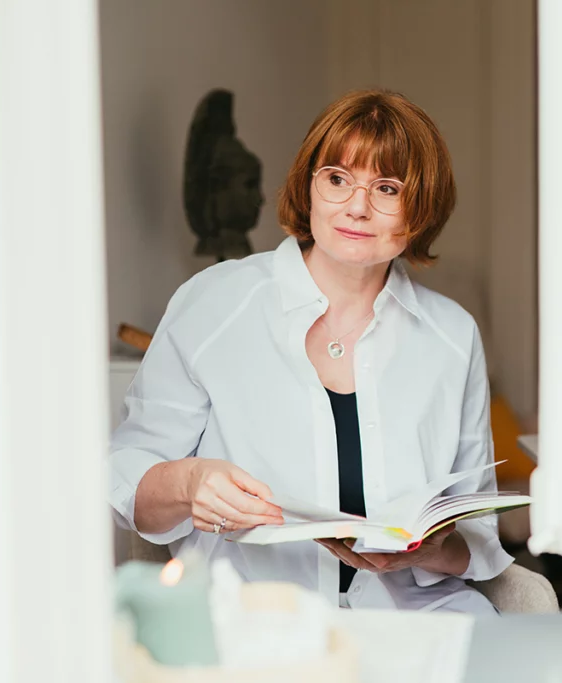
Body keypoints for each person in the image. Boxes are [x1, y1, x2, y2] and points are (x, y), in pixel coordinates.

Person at [109, 89, 513, 614]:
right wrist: (190, 483)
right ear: (310, 184)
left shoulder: (452, 336)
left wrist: (434, 549)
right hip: (251, 622)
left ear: (422, 209)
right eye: (338, 179)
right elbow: (126, 476)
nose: (357, 208)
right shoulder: (214, 303)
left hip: (416, 619)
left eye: (387, 189)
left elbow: (478, 538)